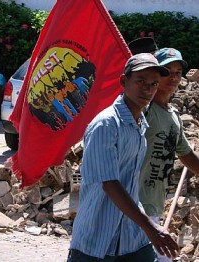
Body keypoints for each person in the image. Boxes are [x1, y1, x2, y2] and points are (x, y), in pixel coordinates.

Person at [68, 53, 179, 261]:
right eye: (140, 81)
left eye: (154, 84)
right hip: (97, 238)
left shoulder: (140, 124)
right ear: (123, 81)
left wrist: (146, 228)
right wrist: (152, 228)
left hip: (131, 237)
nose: (147, 89)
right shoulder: (107, 125)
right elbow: (110, 183)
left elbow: (128, 184)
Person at [139, 48, 199, 262]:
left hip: (153, 203)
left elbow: (186, 155)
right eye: (167, 71)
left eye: (178, 71)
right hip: (133, 205)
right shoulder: (142, 109)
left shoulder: (173, 115)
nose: (173, 77)